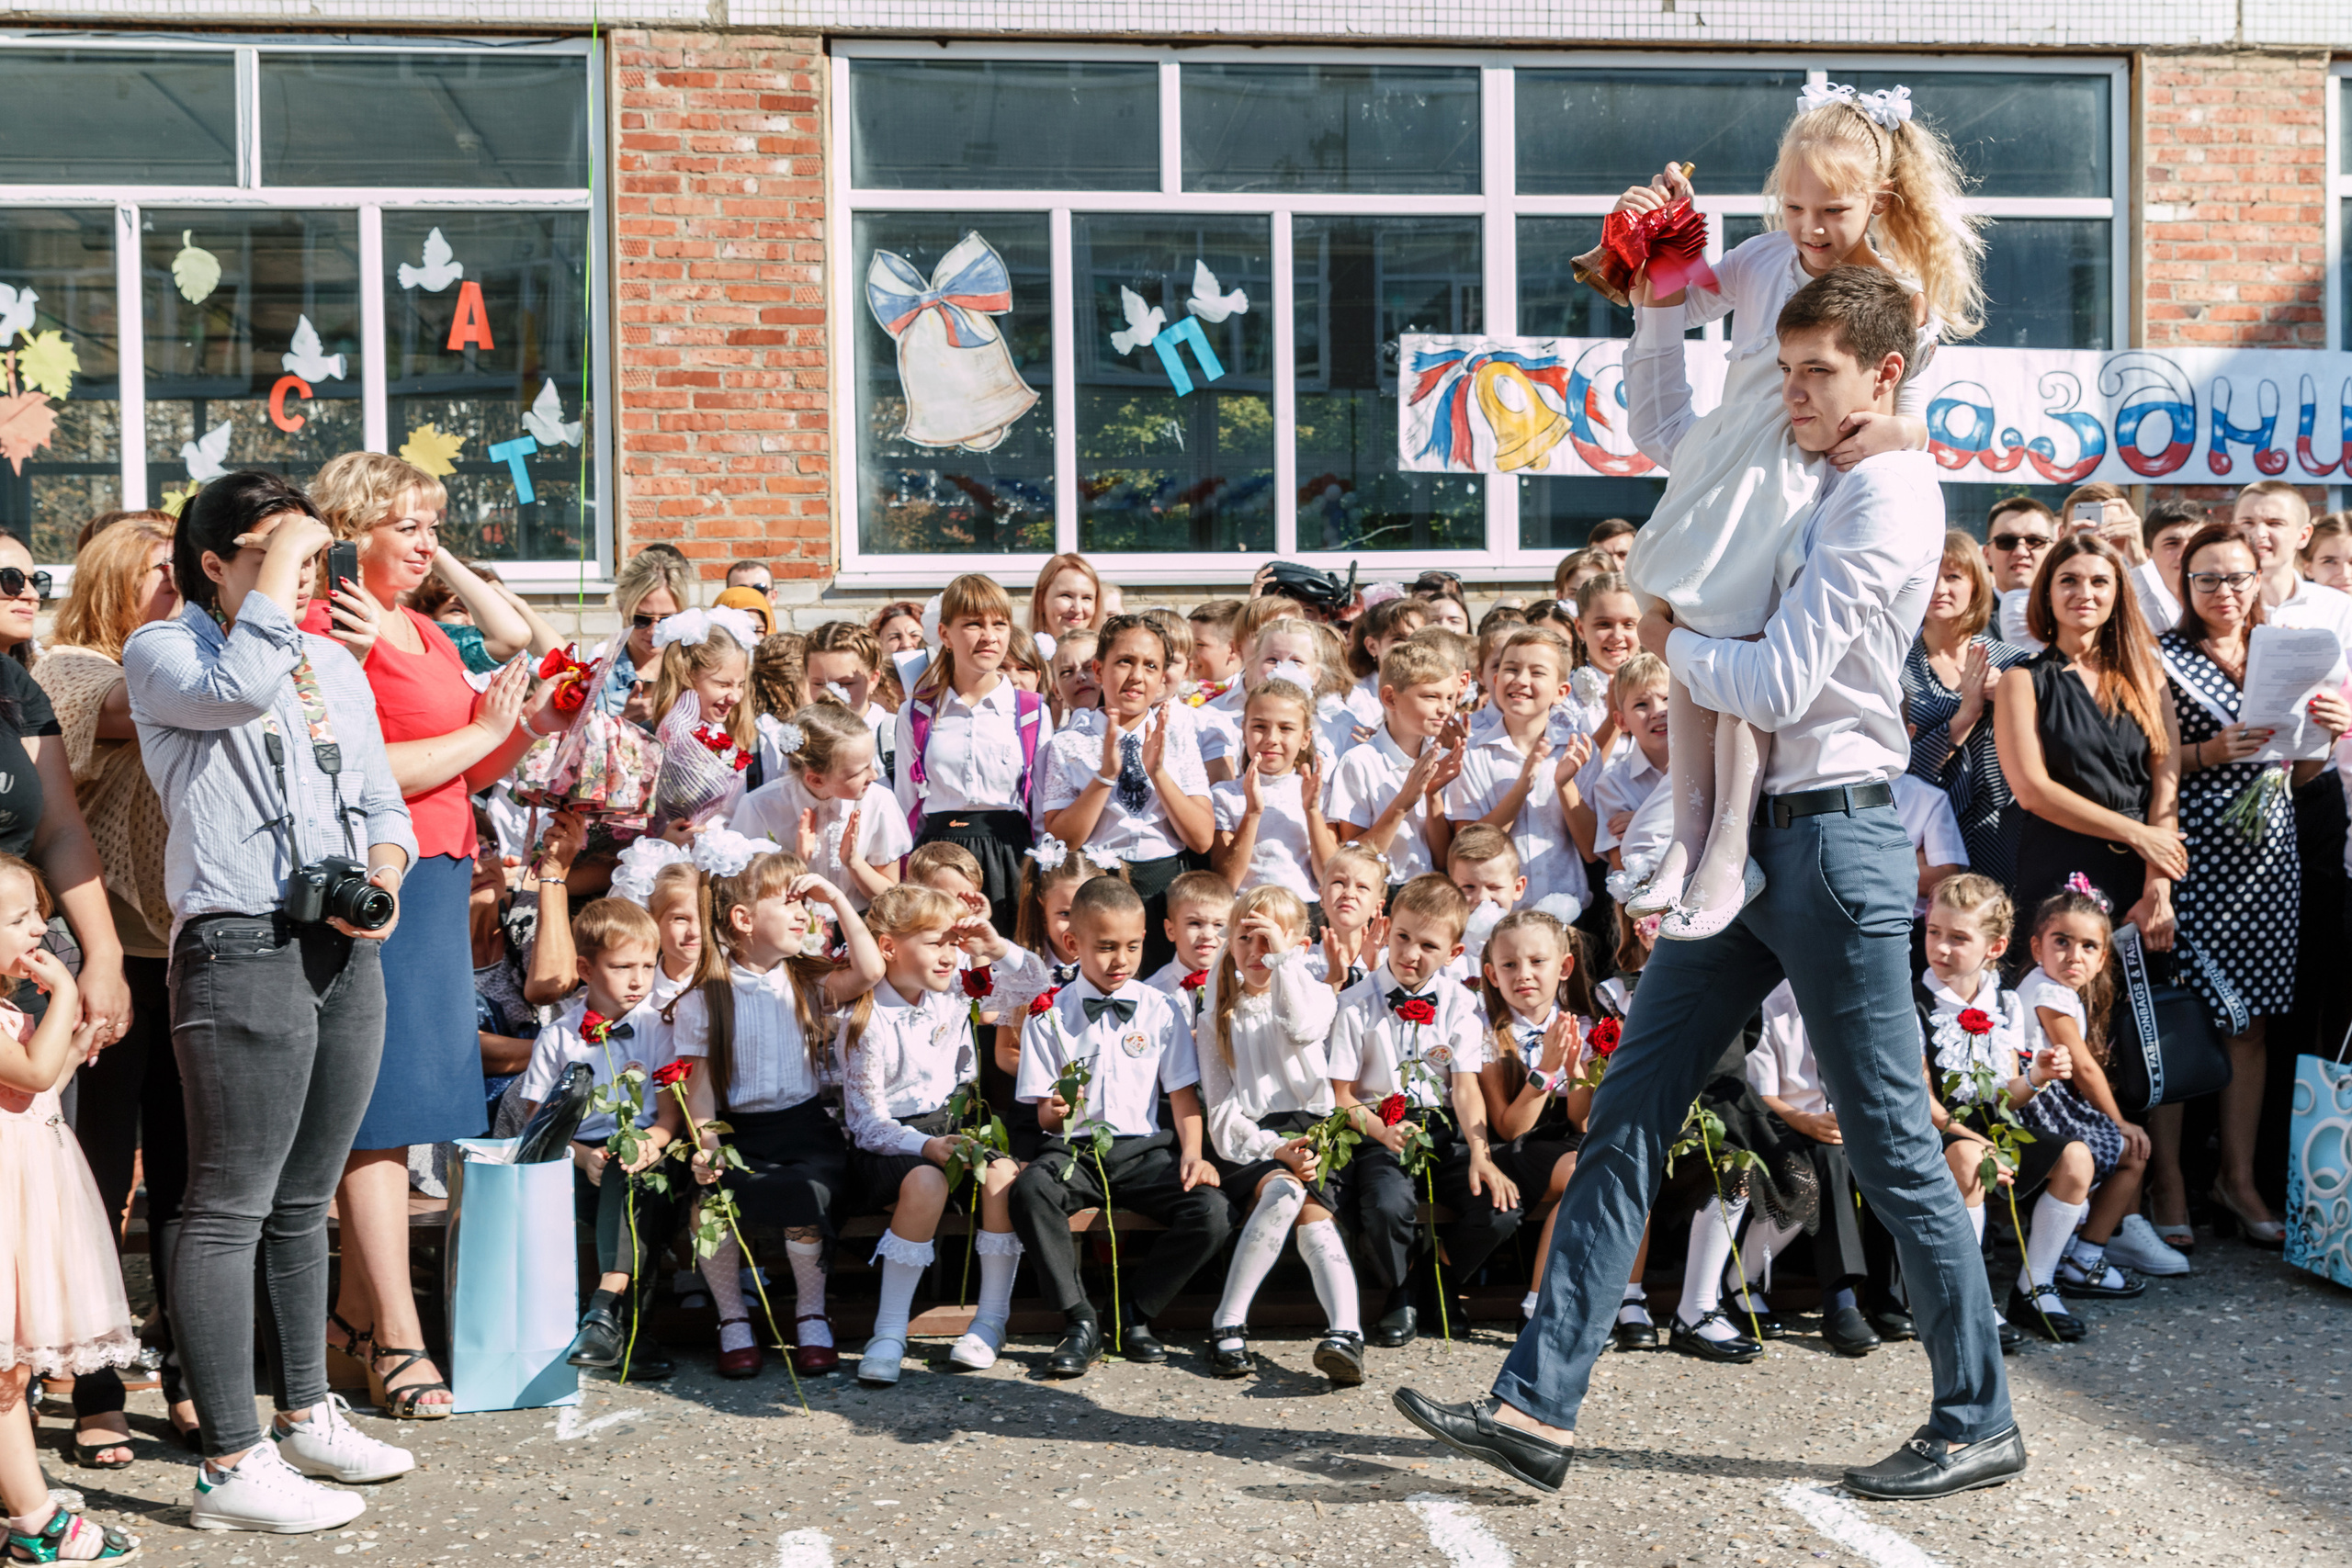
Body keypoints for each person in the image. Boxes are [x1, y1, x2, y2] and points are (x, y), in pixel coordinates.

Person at [1394, 267, 2020, 1502]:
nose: (1792, 394)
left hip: (1835, 842)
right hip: (1745, 844)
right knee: (1628, 1108)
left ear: (1885, 374)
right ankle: (1534, 1404)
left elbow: (1779, 683)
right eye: (1783, 371)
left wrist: (1671, 638)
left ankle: (1977, 1414)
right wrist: (1657, 299)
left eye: (1817, 373)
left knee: (1892, 1143)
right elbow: (1670, 432)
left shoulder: (1890, 492)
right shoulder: (1811, 467)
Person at [125, 469, 419, 1532]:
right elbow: (239, 692)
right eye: (276, 552)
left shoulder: (331, 663)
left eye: (311, 552)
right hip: (239, 942)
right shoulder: (166, 651)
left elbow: (381, 797)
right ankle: (229, 1463)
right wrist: (289, 563)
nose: (304, 571)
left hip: (341, 947)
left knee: (307, 1197)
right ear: (214, 563)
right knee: (226, 1203)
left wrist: (384, 874)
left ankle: (304, 1412)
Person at [1612, 86, 1978, 938]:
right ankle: (1689, 834)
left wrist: (1897, 430)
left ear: (1879, 200)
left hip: (1801, 487)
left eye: (1833, 211)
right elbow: (1679, 299)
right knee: (1696, 623)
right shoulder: (1763, 259)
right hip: (1731, 471)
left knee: (1740, 641)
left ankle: (1725, 840)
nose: (1810, 228)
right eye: (1795, 206)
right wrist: (1664, 237)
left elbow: (1913, 416)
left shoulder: (1897, 297)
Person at [305, 450, 553, 1423]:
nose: (424, 543)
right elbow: (359, 771)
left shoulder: (420, 627)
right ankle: (395, 1337)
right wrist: (483, 735)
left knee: (404, 1109)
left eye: (434, 526)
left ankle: (351, 1326)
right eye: (404, 525)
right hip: (382, 875)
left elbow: (481, 732)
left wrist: (523, 727)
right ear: (349, 531)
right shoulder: (332, 623)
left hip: (444, 868)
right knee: (379, 1111)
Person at [36, 512, 199, 1462]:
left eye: (187, 569)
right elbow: (135, 712)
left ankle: (182, 1369)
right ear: (109, 579)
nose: (178, 584)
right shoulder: (70, 669)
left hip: (187, 952)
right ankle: (95, 1382)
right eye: (160, 571)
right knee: (98, 1175)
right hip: (104, 957)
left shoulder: (185, 663)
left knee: (185, 1174)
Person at [2152, 521, 2351, 1248]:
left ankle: (2236, 1180)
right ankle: (2169, 1182)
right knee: (2181, 1020)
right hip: (2192, 849)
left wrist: (2326, 734)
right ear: (2186, 583)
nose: (2224, 591)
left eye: (2237, 576)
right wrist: (2208, 751)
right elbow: (2148, 761)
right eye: (2207, 578)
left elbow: (2298, 774)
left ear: (2258, 578)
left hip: (2269, 859)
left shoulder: (2284, 650)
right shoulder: (2161, 654)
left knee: (2253, 1024)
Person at [673, 845, 885, 1379]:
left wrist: (836, 897)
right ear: (743, 920)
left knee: (805, 1194)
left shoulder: (803, 981)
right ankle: (732, 1319)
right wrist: (708, 1149)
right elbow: (698, 1089)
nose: (802, 913)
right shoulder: (705, 997)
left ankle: (811, 1313)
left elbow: (869, 969)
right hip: (736, 1132)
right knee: (710, 1204)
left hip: (803, 1130)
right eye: (789, 902)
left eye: (804, 904)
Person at [1008, 875, 1232, 1377]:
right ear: (1073, 943)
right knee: (1030, 1191)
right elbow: (1043, 1113)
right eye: (1106, 947)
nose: (1121, 961)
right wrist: (1057, 1108)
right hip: (1075, 1151)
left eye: (1132, 946)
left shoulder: (1160, 1008)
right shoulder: (1048, 1014)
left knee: (1212, 1212)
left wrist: (1193, 1155)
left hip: (1143, 1152)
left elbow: (1182, 1094)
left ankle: (1134, 1311)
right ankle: (1079, 1319)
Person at [0, 852, 140, 1562]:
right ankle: (36, 1521)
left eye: (38, 912)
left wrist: (76, 1040)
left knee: (12, 1371)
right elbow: (28, 1073)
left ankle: (28, 1512)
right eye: (18, 918)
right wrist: (59, 997)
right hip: (7, 1204)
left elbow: (37, 1085)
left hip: (27, 1195)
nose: (39, 928)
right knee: (3, 1376)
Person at [839, 884, 1038, 1382]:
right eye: (935, 943)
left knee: (1002, 1174)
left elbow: (1034, 984)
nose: (950, 955)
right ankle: (889, 1331)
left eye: (954, 942)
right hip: (892, 1144)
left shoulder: (953, 993)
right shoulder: (866, 1018)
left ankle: (990, 1322)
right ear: (888, 947)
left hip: (952, 1127)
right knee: (927, 1181)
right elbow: (866, 1124)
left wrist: (993, 945)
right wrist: (925, 1146)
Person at [1329, 874, 1520, 1348]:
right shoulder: (1354, 1004)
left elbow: (1466, 1088)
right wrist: (1382, 1131)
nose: (1410, 954)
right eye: (1403, 937)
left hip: (1444, 1129)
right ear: (1387, 929)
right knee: (1386, 1206)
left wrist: (1481, 1155)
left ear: (1454, 953)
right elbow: (1341, 1097)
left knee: (1499, 1208)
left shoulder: (1461, 1004)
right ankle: (1403, 1286)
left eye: (1429, 946)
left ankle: (1441, 1276)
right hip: (1380, 1127)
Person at [1194, 885, 1362, 1384]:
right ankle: (1228, 1320)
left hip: (1315, 1131)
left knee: (1314, 1219)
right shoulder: (1216, 1016)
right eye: (1245, 938)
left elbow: (1300, 1027)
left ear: (1297, 947)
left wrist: (1284, 962)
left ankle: (1346, 1336)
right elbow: (1222, 1115)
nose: (1256, 951)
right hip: (1254, 1139)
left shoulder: (1316, 996)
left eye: (1267, 939)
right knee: (1284, 1192)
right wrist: (1273, 1148)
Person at [523, 898, 686, 1378]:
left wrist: (650, 1143)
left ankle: (602, 1313)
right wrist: (581, 1157)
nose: (638, 980)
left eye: (647, 966)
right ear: (586, 969)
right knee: (626, 1190)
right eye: (621, 967)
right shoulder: (559, 1037)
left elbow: (670, 1120)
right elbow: (539, 1124)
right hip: (575, 1163)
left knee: (635, 1177)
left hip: (648, 1153)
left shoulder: (659, 1028)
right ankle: (631, 1333)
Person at [1991, 532, 2182, 932]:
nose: (2085, 593)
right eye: (2069, 580)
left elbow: (2166, 782)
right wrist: (2138, 834)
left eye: (2099, 582)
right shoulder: (2022, 681)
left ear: (2117, 594)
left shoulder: (2148, 677)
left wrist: (2158, 886)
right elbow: (2032, 790)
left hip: (2142, 872)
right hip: (2060, 868)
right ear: (2047, 593)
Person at [0, 529, 132, 1051]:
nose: (30, 593)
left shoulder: (13, 684)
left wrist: (105, 957)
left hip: (22, 969)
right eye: (9, 580)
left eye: (36, 579)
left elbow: (60, 831)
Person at [2007, 886, 2150, 1337]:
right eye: (2062, 941)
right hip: (2033, 1102)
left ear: (2103, 958)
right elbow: (2084, 1066)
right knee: (2129, 1146)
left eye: (2088, 946)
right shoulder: (2047, 990)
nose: (2074, 955)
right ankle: (2070, 1264)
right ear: (2037, 947)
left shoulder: (2055, 988)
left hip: (2053, 1101)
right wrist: (2119, 1120)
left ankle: (2084, 1258)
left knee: (2130, 1153)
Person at [1038, 615, 1213, 973]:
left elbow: (1201, 839)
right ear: (1098, 670)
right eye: (1124, 662)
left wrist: (1158, 773)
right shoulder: (1069, 744)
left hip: (1165, 888)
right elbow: (1062, 839)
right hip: (1100, 888)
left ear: (1162, 678)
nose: (1137, 676)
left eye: (1150, 666)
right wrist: (1104, 777)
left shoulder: (1178, 738)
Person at [892, 574, 1050, 940]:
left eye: (1000, 624)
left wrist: (1041, 873)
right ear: (945, 634)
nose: (989, 636)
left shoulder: (1031, 711)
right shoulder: (916, 712)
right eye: (974, 624)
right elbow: (904, 804)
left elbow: (1041, 808)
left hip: (1010, 855)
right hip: (937, 861)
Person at [1475, 907, 1597, 1325]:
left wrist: (1576, 1070)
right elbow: (1511, 1128)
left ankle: (1620, 1300)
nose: (1523, 974)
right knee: (1588, 1174)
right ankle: (1539, 1305)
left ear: (1564, 967)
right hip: (1519, 1148)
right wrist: (1545, 1069)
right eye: (1509, 964)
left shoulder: (1581, 1025)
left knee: (1613, 1171)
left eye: (1537, 961)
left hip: (1568, 1138)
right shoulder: (1487, 1032)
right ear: (1492, 974)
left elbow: (1582, 1122)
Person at [1905, 530, 2035, 884]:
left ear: (1976, 585)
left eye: (1953, 576)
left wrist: (2010, 696)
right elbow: (1899, 770)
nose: (1939, 588)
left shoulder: (2015, 664)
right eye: (1929, 576)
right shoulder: (1896, 668)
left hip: (2003, 825)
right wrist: (1966, 715)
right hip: (1928, 839)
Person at [1441, 627, 1592, 920]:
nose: (1521, 680)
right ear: (1496, 680)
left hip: (1569, 911)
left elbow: (1590, 849)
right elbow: (1467, 846)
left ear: (1561, 692)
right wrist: (1523, 785)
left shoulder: (1577, 749)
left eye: (1537, 672)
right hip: (1494, 916)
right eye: (1511, 669)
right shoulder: (1473, 753)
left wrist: (1565, 785)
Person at [732, 702, 910, 912]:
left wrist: (853, 862)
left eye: (871, 763)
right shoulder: (760, 807)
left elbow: (889, 894)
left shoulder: (879, 801)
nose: (874, 775)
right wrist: (798, 861)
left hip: (860, 923)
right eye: (858, 772)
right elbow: (746, 894)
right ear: (816, 780)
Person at [1328, 640, 1462, 892]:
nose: (1444, 708)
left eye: (1450, 698)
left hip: (1431, 890)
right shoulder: (1359, 762)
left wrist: (1432, 794)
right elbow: (1353, 856)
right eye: (1431, 696)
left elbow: (1442, 859)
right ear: (1390, 698)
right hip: (1380, 893)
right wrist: (1401, 805)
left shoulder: (1444, 759)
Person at [1210, 676, 1333, 904]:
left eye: (1286, 728)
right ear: (1244, 730)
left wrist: (1312, 811)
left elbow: (1330, 877)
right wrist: (1252, 813)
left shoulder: (1319, 793)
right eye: (1259, 727)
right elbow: (1226, 882)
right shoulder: (1224, 795)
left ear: (1305, 738)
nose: (1271, 739)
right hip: (1247, 910)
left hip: (1305, 911)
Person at [646, 607, 760, 830]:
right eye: (722, 684)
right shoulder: (664, 736)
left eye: (741, 684)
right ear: (687, 676)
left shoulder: (727, 729)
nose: (735, 697)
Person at [600, 548, 694, 721]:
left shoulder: (695, 665)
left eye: (666, 620)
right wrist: (624, 721)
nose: (653, 631)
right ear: (623, 610)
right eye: (641, 619)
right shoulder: (602, 668)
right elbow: (582, 737)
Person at [1983, 497, 2058, 649]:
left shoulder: (2071, 614)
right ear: (1987, 555)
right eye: (2006, 542)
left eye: (2035, 541)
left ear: (2054, 551)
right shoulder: (1964, 621)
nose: (2020, 552)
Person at [1029, 552, 1106, 657]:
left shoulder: (1107, 661)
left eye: (1086, 598)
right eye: (1066, 596)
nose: (1078, 609)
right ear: (1040, 600)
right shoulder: (1019, 662)